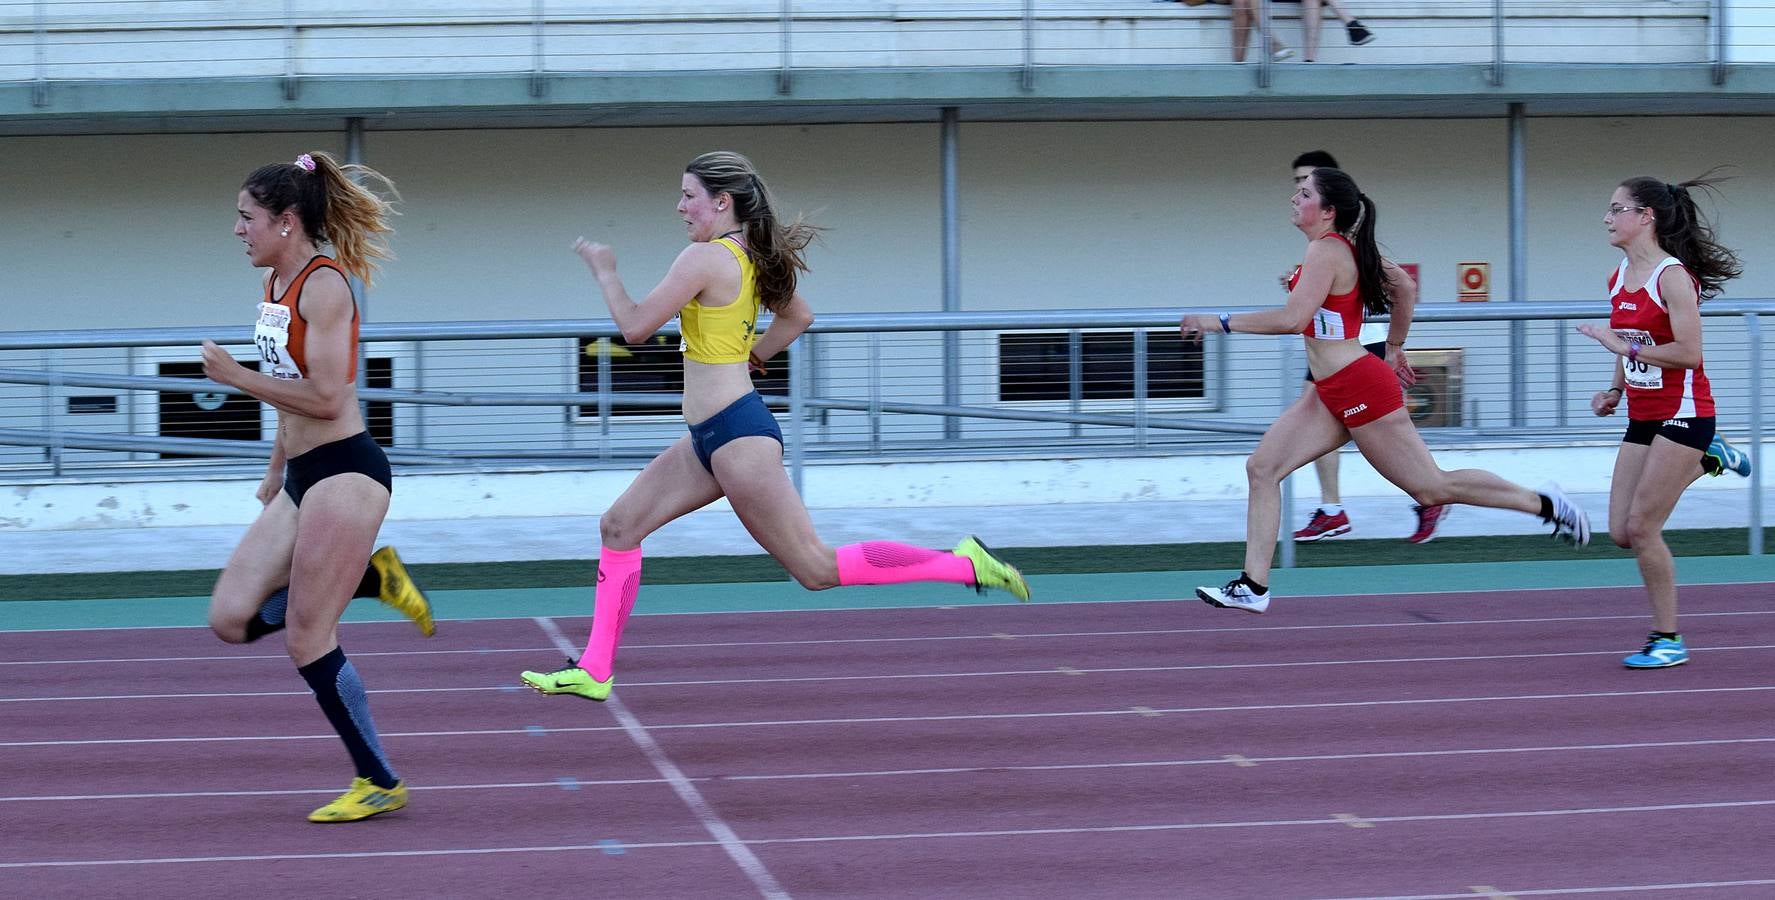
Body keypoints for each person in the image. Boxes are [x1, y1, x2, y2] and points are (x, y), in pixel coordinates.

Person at [520, 151, 1030, 701]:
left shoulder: (704, 258)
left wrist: (606, 273)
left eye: (688, 195)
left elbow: (637, 328)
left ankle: (962, 564)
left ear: (722, 201)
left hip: (738, 437)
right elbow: (798, 317)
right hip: (712, 435)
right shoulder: (748, 258)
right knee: (619, 526)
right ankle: (595, 669)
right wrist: (751, 355)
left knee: (814, 567)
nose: (680, 206)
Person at [1182, 167, 1590, 615]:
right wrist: (1393, 346)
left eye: (1303, 194)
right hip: (1328, 389)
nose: (1294, 200)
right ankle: (1253, 586)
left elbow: (1292, 320)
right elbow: (1404, 288)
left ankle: (1545, 503)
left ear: (1328, 211)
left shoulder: (1328, 250)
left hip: (1359, 385)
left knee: (1432, 489)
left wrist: (1217, 321)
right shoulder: (1339, 250)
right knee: (1262, 469)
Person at [203, 151, 434, 823]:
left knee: (308, 634)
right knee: (230, 617)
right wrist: (276, 469)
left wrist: (235, 378)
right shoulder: (275, 285)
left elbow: (329, 396)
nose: (237, 230)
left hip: (347, 474)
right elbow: (292, 389)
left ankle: (379, 778)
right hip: (304, 476)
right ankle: (371, 578)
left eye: (246, 219)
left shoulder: (324, 286)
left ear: (286, 220)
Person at [1574, 173, 1746, 669]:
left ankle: (1667, 638)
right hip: (1643, 414)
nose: (1607, 218)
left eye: (1616, 208)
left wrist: (1622, 346)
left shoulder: (1672, 277)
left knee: (1643, 528)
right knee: (1620, 532)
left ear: (1644, 217)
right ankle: (1711, 460)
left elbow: (1690, 353)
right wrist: (1614, 388)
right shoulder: (1617, 276)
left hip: (1685, 412)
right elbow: (1628, 341)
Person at [1285, 151, 1449, 545]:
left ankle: (1429, 495)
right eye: (1297, 182)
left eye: (1306, 183)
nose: (1297, 191)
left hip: (1356, 351)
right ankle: (1342, 507)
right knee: (1379, 437)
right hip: (1334, 350)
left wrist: (1394, 345)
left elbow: (1404, 287)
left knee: (1388, 441)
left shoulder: (1347, 242)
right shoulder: (1321, 245)